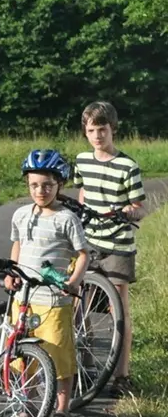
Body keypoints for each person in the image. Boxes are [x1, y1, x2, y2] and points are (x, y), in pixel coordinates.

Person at [8, 150, 90, 417]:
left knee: (59, 356)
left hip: (54, 301)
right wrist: (12, 273)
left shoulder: (66, 218)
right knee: (21, 356)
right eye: (34, 185)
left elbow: (82, 254)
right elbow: (17, 247)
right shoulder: (20, 215)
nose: (40, 191)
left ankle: (61, 410)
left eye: (47, 185)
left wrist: (74, 281)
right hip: (24, 300)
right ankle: (26, 405)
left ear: (59, 185)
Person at [72, 101, 145, 397]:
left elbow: (139, 206)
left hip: (117, 243)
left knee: (118, 308)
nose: (97, 136)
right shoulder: (82, 160)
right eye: (91, 130)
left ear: (113, 129)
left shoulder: (128, 166)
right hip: (90, 241)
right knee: (78, 303)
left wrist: (127, 211)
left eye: (102, 129)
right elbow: (83, 191)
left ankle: (121, 376)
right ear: (85, 132)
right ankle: (85, 364)